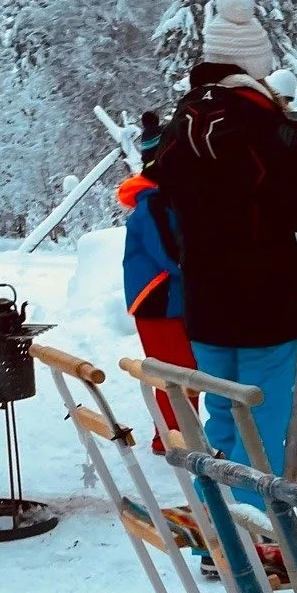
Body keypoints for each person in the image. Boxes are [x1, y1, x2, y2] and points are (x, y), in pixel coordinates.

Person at [152, 0, 297, 499]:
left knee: (221, 415)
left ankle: (219, 527)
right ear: (254, 63)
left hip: (205, 291)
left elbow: (158, 198)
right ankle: (256, 532)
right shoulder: (265, 123)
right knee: (262, 418)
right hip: (264, 296)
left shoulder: (181, 122)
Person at [119, 112, 194, 454]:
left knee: (183, 370)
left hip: (170, 297)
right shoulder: (154, 204)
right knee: (175, 372)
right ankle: (173, 439)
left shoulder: (164, 199)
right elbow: (170, 255)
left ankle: (178, 435)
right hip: (159, 299)